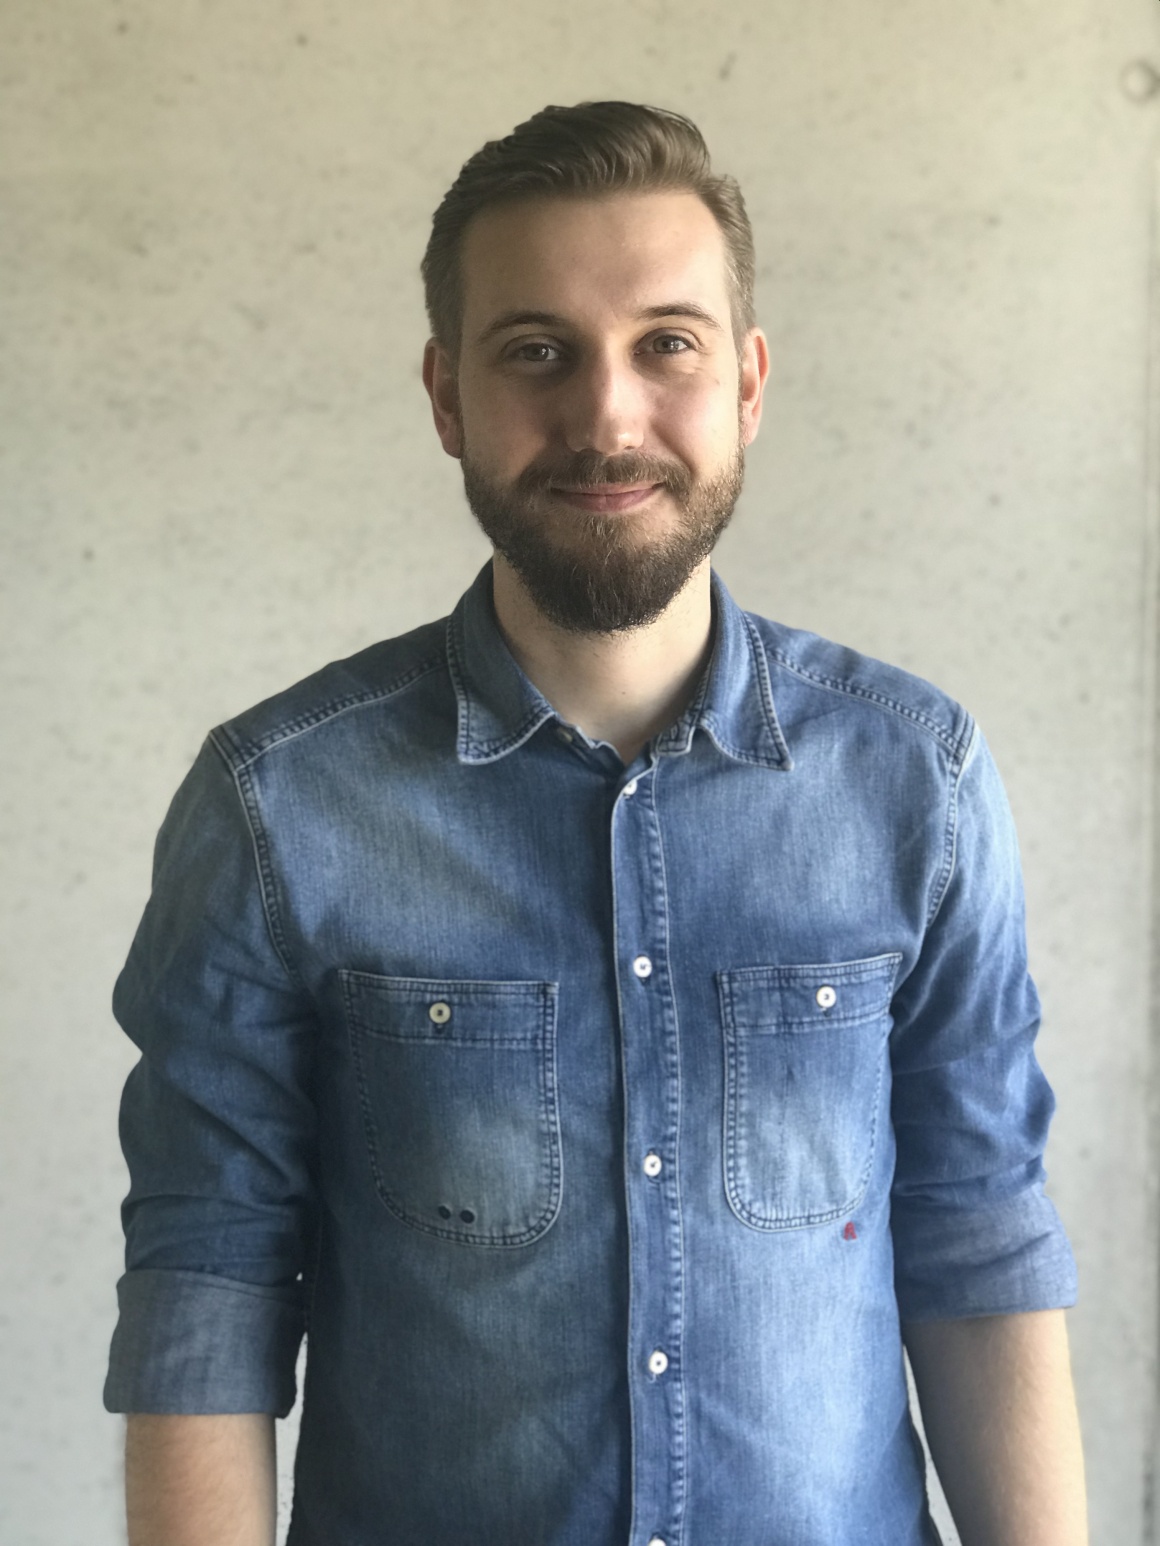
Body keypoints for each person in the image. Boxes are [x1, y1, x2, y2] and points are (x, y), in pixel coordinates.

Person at [104, 101, 1087, 1546]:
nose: (607, 415)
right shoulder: (279, 806)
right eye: (537, 352)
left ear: (749, 381)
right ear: (448, 394)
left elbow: (978, 1239)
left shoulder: (915, 780)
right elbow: (207, 1291)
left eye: (667, 344)